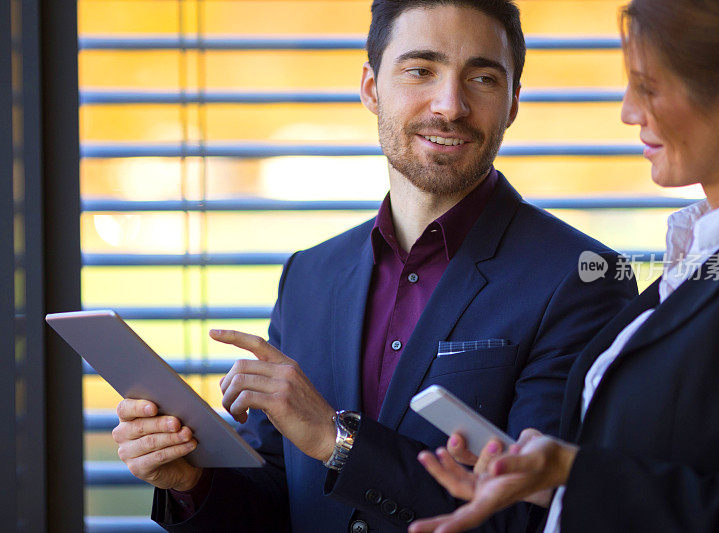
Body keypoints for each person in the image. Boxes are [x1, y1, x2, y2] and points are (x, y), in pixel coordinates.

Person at [111, 1, 638, 532]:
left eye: (482, 78)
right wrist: (191, 482)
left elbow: (535, 517)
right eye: (420, 71)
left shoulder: (582, 279)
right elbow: (279, 500)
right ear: (370, 88)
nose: (450, 105)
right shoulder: (308, 278)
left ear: (513, 103)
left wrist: (336, 441)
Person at [410, 0, 719, 531]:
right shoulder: (711, 248)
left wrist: (574, 470)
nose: (628, 111)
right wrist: (551, 480)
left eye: (648, 87)